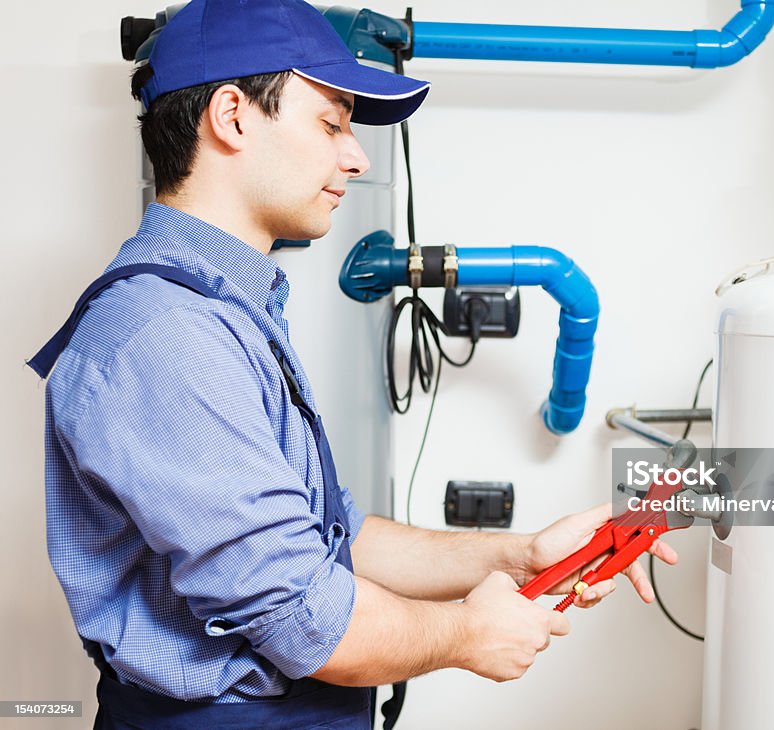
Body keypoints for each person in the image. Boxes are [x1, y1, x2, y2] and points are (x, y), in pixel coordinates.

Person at [29, 1, 678, 728]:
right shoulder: (167, 334)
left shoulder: (228, 309)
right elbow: (307, 620)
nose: (357, 156)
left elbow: (334, 537)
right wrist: (468, 633)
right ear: (232, 116)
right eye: (332, 123)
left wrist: (522, 554)